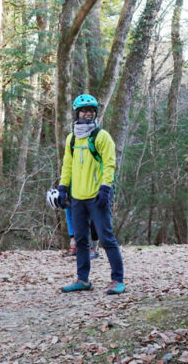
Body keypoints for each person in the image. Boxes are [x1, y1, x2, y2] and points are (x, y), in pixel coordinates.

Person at [57, 94, 125, 295]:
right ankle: (83, 279)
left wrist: (105, 188)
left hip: (97, 196)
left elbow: (110, 164)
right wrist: (63, 187)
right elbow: (67, 166)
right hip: (77, 197)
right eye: (84, 110)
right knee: (80, 241)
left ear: (95, 113)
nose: (87, 113)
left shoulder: (102, 137)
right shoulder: (72, 139)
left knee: (106, 238)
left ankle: (117, 280)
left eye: (91, 111)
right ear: (77, 113)